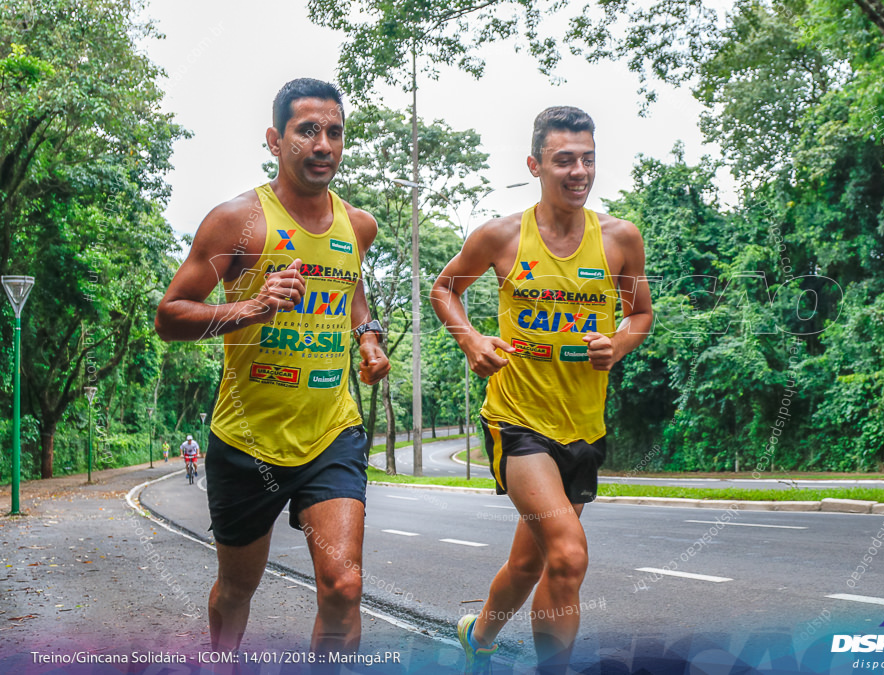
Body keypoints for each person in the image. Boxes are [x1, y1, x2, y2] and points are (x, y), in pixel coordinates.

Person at [154, 78, 390, 660]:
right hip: (247, 438)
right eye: (307, 130)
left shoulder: (357, 226)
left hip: (331, 430)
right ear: (274, 139)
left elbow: (350, 284)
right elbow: (170, 315)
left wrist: (367, 336)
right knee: (238, 589)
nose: (323, 144)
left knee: (344, 585)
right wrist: (253, 306)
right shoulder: (238, 222)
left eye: (334, 132)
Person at [431, 106, 653, 674]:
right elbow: (444, 290)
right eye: (564, 160)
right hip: (518, 420)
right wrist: (471, 339)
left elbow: (641, 315)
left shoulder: (620, 239)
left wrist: (620, 344)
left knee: (533, 564)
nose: (578, 171)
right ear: (535, 165)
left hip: (583, 426)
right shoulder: (502, 236)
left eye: (588, 159)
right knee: (569, 554)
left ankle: (477, 635)